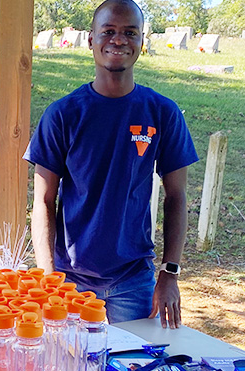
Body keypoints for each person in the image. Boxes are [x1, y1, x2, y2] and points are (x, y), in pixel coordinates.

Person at [25, 0, 199, 329]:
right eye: (108, 31)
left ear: (141, 42)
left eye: (129, 32)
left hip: (133, 281)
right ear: (91, 40)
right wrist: (48, 280)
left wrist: (170, 273)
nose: (118, 40)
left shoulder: (162, 112)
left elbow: (176, 197)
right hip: (70, 280)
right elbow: (43, 201)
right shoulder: (63, 114)